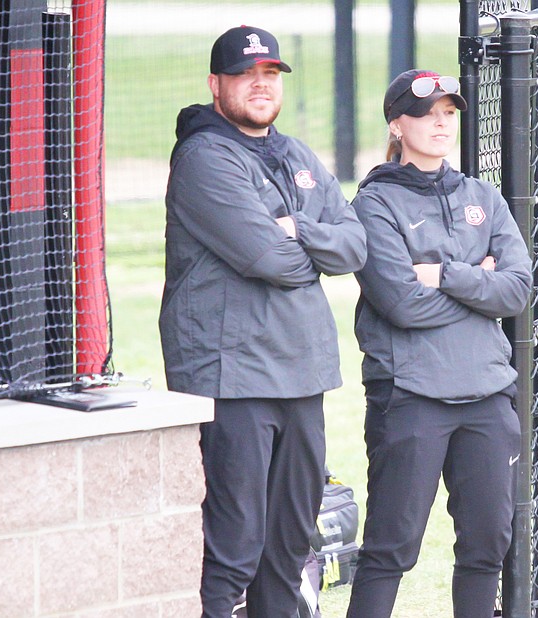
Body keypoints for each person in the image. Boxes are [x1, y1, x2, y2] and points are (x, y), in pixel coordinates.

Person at [158, 25, 366, 618]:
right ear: (216, 85)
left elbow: (356, 247)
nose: (259, 85)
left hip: (302, 373)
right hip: (234, 376)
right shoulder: (204, 157)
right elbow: (267, 260)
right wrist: (310, 246)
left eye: (270, 74)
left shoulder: (294, 153)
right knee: (236, 546)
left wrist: (297, 229)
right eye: (246, 75)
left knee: (290, 543)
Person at [346, 69, 534, 618]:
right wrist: (480, 282)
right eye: (426, 113)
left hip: (486, 396)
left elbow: (518, 290)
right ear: (397, 124)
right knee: (390, 547)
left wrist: (445, 274)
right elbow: (401, 302)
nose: (439, 123)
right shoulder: (375, 204)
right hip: (412, 395)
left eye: (449, 113)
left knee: (486, 546)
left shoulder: (484, 197)